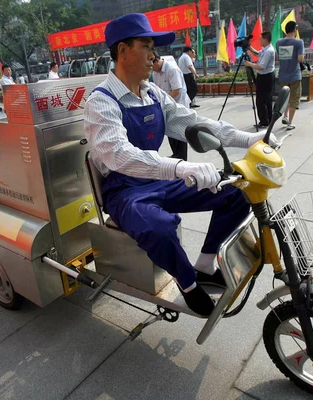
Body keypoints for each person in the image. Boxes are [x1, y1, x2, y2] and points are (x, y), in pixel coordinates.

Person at [84, 13, 276, 316]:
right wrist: (178, 167)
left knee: (239, 189)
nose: (153, 55)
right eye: (146, 46)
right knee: (159, 228)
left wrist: (248, 139)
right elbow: (118, 154)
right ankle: (188, 283)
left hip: (158, 179)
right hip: (124, 190)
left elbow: (194, 123)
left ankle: (205, 261)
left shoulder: (152, 93)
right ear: (123, 51)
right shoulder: (101, 101)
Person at [151, 50, 189, 160]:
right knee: (170, 131)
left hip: (178, 105)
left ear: (157, 60)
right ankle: (176, 155)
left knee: (180, 133)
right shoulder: (155, 72)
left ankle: (182, 157)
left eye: (151, 64)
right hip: (167, 107)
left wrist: (163, 103)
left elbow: (177, 90)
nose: (151, 68)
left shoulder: (172, 69)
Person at [276, 21, 304, 131]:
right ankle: (290, 123)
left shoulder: (278, 42)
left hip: (283, 75)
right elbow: (301, 59)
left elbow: (279, 56)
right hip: (295, 75)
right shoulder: (298, 42)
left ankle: (285, 116)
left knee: (285, 98)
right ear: (295, 30)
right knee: (294, 99)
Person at [246, 31, 276, 128]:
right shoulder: (265, 49)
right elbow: (258, 54)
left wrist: (249, 64)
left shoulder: (269, 51)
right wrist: (250, 48)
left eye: (261, 39)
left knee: (261, 100)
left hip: (266, 77)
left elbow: (261, 66)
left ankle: (264, 121)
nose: (260, 40)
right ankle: (268, 119)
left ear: (265, 39)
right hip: (264, 76)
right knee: (266, 99)